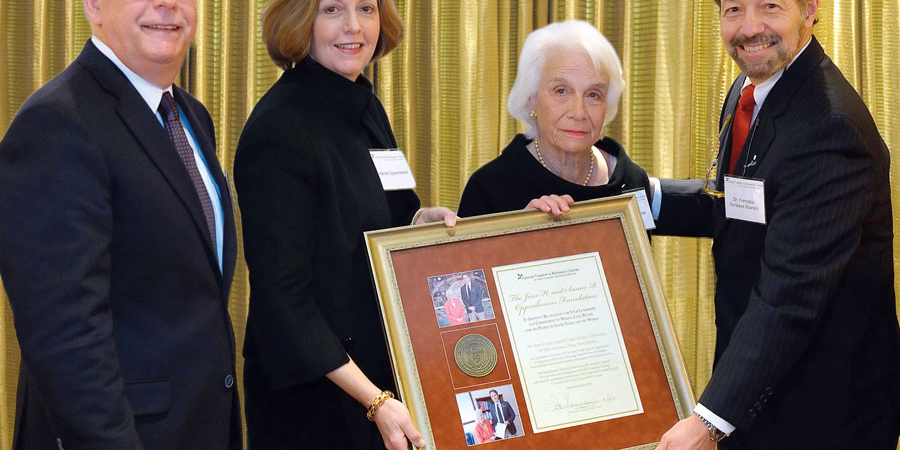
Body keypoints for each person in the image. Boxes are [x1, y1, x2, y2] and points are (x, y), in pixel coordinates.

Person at [655, 0, 900, 448]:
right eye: (733, 9)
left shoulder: (830, 128)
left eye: (770, 6)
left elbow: (788, 294)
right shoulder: (752, 88)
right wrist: (633, 198)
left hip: (822, 416)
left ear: (809, 11)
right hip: (763, 398)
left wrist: (709, 420)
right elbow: (739, 204)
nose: (750, 28)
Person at [0, 0, 241, 449]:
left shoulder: (192, 116)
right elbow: (66, 337)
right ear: (93, 5)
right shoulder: (55, 122)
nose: (166, 5)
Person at [233, 0, 455, 449]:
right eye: (332, 9)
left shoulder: (363, 104)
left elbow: (382, 215)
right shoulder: (279, 130)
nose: (354, 26)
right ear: (301, 22)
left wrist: (419, 221)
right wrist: (375, 401)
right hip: (314, 401)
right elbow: (284, 303)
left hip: (375, 381)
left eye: (366, 8)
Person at [457, 20, 650, 218]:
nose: (579, 112)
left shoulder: (632, 180)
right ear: (531, 100)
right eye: (561, 91)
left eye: (593, 94)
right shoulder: (489, 188)